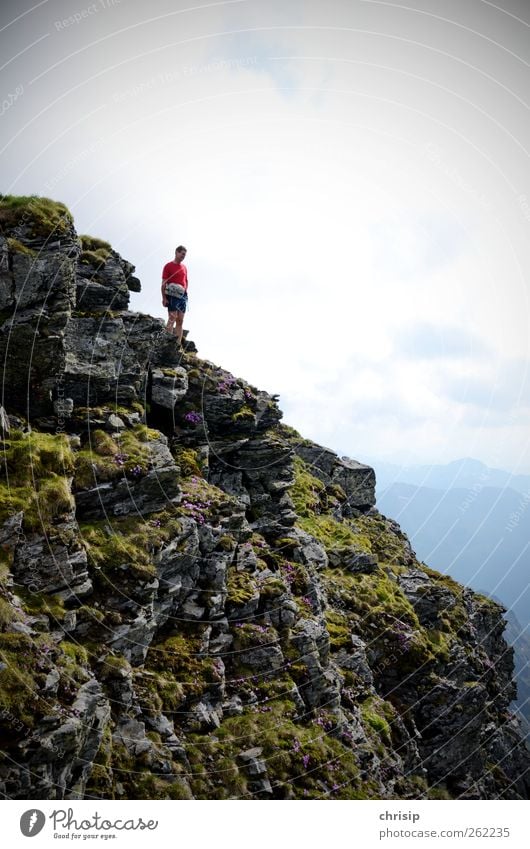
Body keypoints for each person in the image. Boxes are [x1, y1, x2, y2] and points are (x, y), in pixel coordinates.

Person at [161, 245, 188, 345]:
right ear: (176, 252)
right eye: (182, 254)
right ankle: (168, 343)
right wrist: (164, 297)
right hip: (172, 294)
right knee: (172, 317)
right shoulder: (168, 266)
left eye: (185, 255)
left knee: (180, 320)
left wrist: (185, 293)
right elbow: (164, 282)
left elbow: (186, 281)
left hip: (182, 295)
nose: (183, 256)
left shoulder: (184, 267)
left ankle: (177, 345)